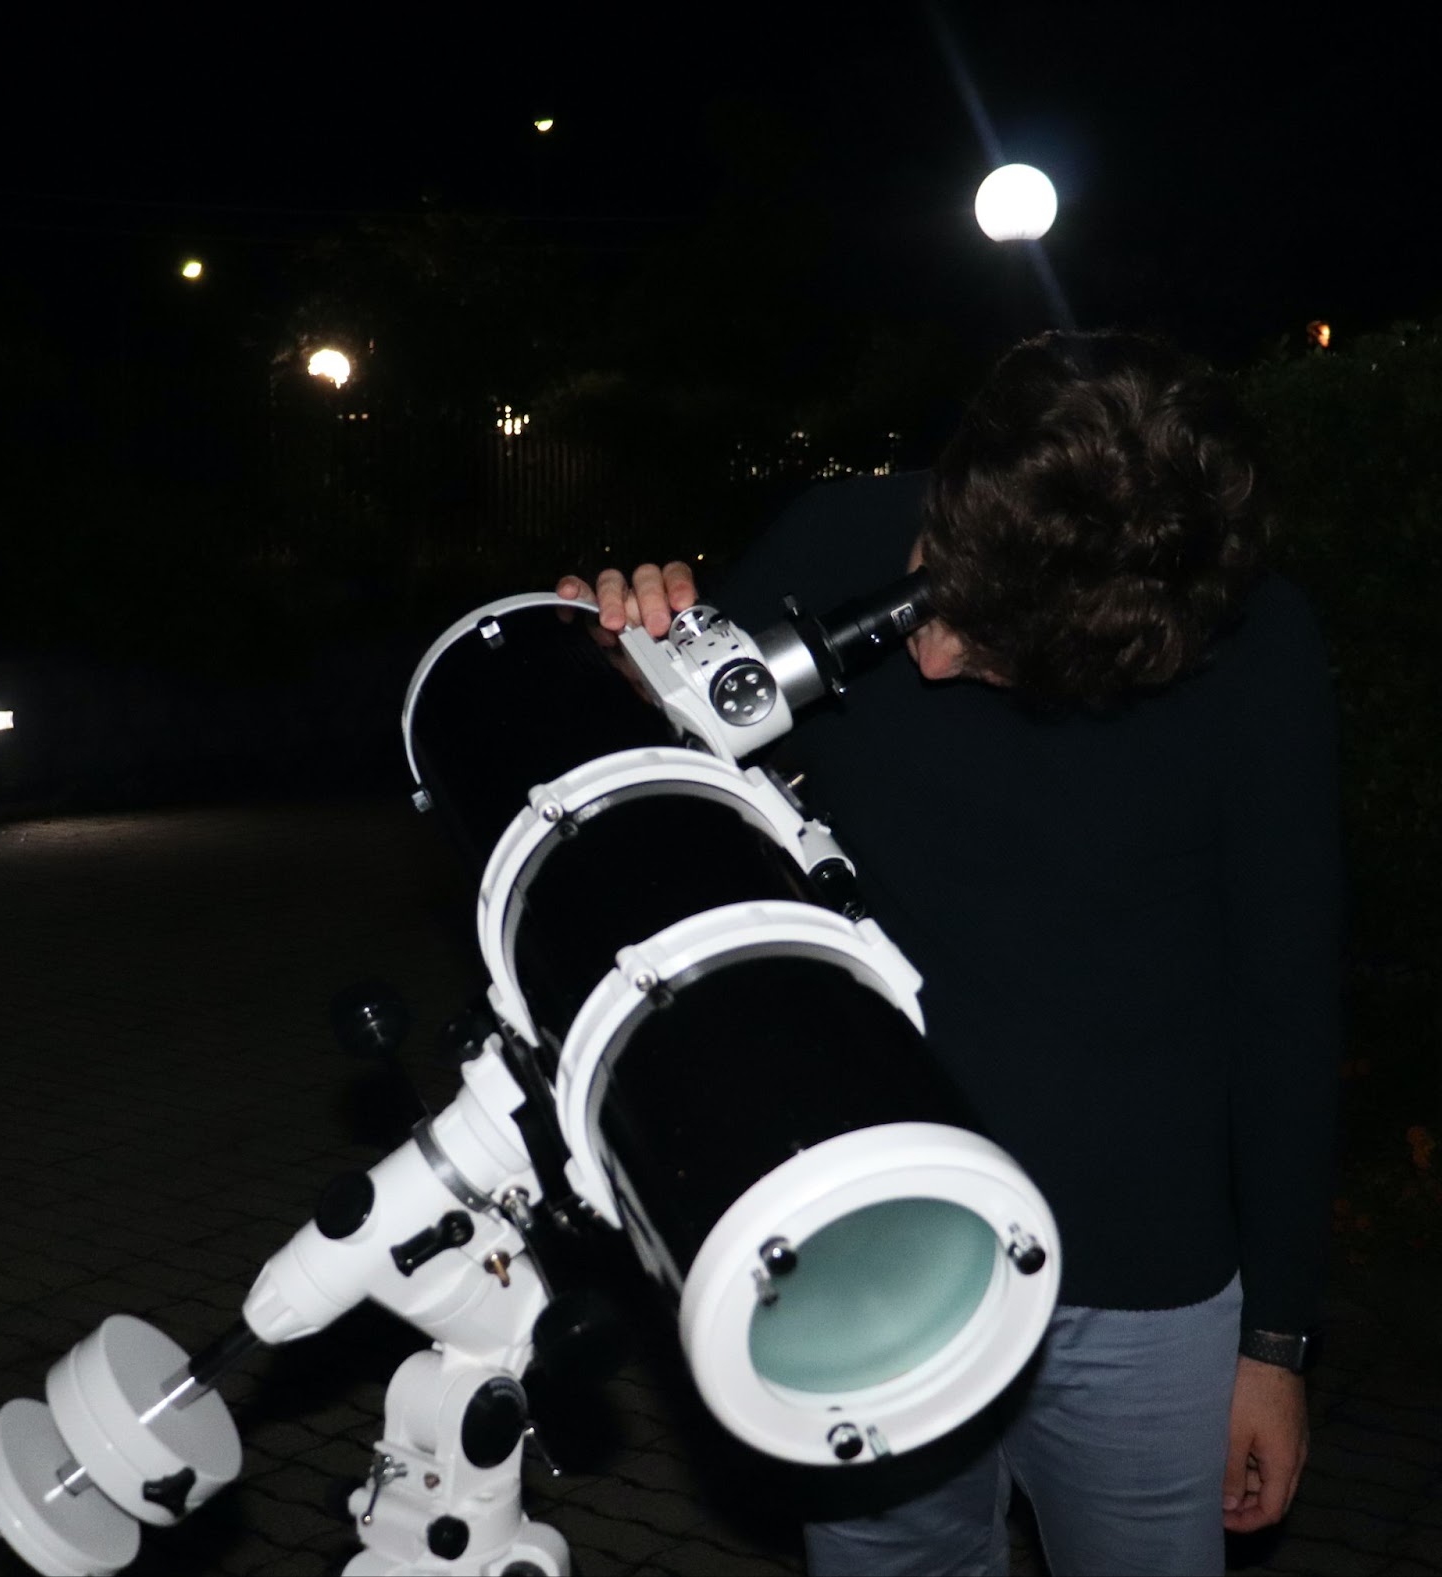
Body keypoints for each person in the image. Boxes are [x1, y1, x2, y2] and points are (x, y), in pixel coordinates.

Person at [556, 330, 1342, 1576]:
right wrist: (614, 653)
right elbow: (661, 809)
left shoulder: (1256, 651)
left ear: (1132, 652)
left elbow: (1287, 1004)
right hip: (867, 1247)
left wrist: (1277, 1344)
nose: (919, 652)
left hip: (1136, 1284)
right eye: (930, 577)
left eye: (981, 638)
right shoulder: (835, 532)